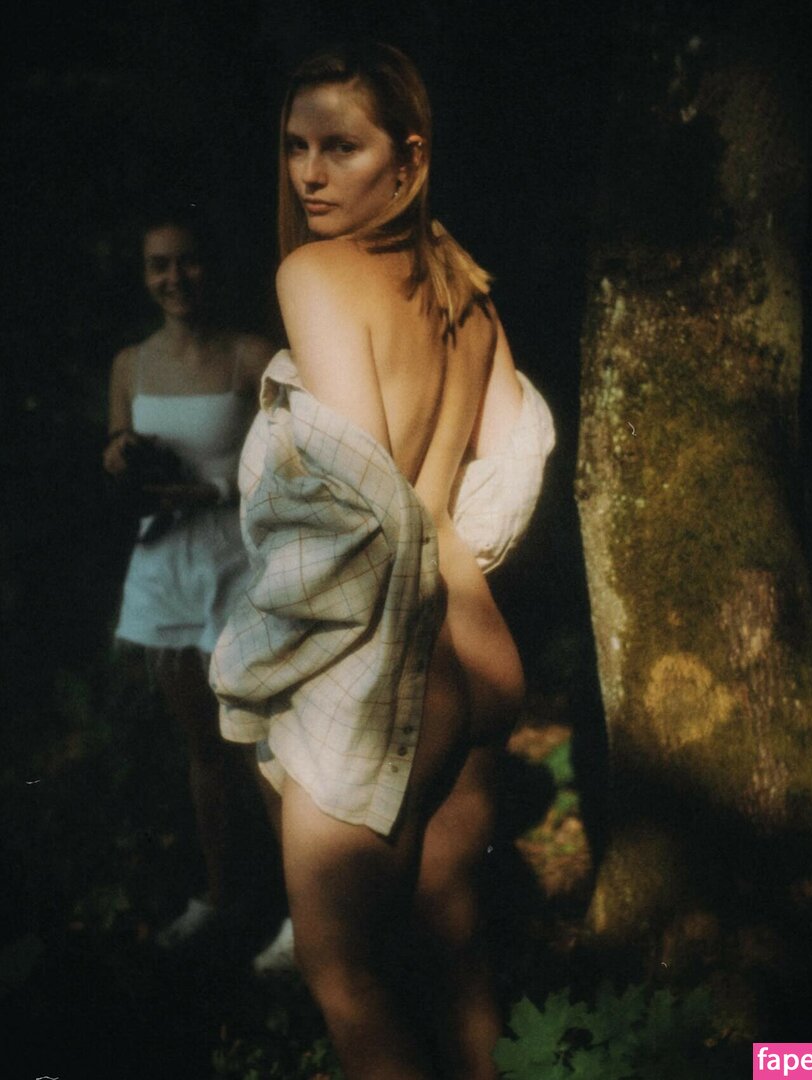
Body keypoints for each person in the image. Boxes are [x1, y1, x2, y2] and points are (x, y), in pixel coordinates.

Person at [210, 42, 554, 1079]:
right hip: (476, 643)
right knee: (454, 956)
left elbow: (358, 504)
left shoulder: (313, 274)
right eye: (295, 146)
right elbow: (515, 464)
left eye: (341, 148)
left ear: (408, 159)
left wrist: (255, 657)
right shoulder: (464, 287)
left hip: (387, 657)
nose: (309, 174)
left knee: (345, 979)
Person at [103, 205, 274, 947]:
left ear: (212, 266)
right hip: (165, 567)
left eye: (188, 261)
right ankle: (220, 896)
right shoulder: (130, 364)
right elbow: (118, 445)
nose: (175, 278)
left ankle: (305, 914)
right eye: (158, 265)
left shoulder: (253, 356)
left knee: (267, 741)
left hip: (240, 566)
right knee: (203, 746)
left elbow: (292, 463)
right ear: (145, 274)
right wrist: (118, 454)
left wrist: (213, 490)